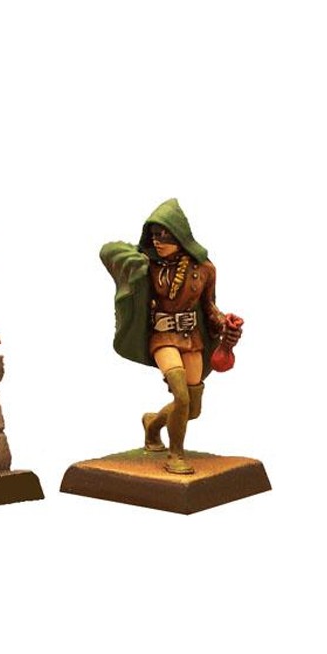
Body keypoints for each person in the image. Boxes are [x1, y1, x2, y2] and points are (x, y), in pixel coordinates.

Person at [100, 198, 242, 474]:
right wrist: (134, 261)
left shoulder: (204, 269)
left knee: (192, 408)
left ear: (180, 236)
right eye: (154, 236)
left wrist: (225, 324)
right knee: (181, 395)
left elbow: (209, 307)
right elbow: (108, 250)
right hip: (162, 336)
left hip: (191, 338)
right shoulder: (149, 266)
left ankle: (153, 423)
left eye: (165, 235)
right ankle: (176, 455)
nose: (159, 241)